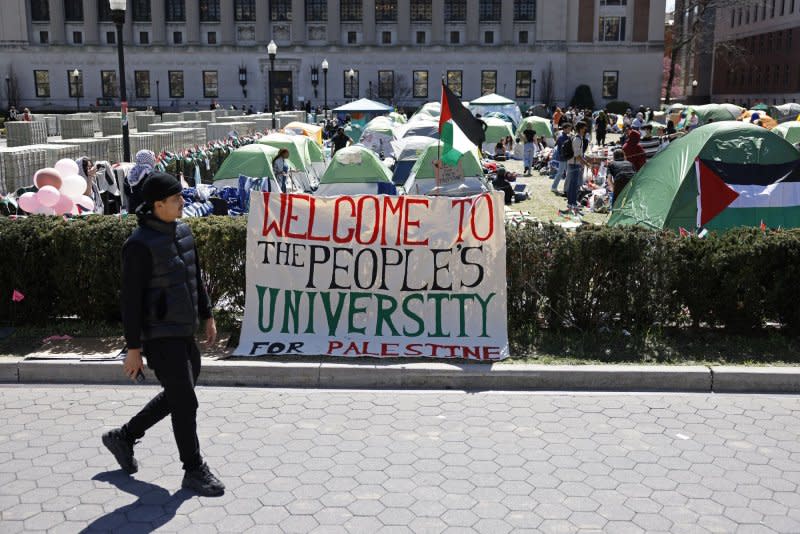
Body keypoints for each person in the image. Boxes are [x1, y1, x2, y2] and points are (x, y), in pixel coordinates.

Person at [102, 172, 224, 497]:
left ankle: (124, 436)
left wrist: (208, 315)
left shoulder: (182, 230)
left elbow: (195, 276)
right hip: (159, 335)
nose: (183, 202)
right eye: (176, 199)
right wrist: (133, 348)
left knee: (178, 394)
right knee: (185, 401)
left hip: (184, 329)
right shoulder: (138, 245)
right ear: (158, 205)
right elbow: (130, 301)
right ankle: (194, 469)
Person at [564, 121, 590, 215]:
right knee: (573, 186)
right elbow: (577, 155)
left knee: (573, 185)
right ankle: (572, 204)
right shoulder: (577, 139)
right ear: (580, 128)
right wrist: (586, 163)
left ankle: (572, 204)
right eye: (584, 127)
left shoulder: (579, 138)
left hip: (575, 164)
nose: (585, 129)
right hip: (574, 164)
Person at [124, 150, 156, 214]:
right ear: (149, 159)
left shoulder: (131, 172)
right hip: (147, 211)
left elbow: (126, 190)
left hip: (133, 209)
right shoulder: (150, 173)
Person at [551, 123, 573, 194]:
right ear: (565, 129)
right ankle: (554, 187)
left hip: (565, 157)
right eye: (569, 128)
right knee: (560, 173)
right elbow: (560, 147)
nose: (570, 130)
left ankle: (566, 188)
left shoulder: (565, 136)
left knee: (567, 173)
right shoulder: (562, 137)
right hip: (563, 157)